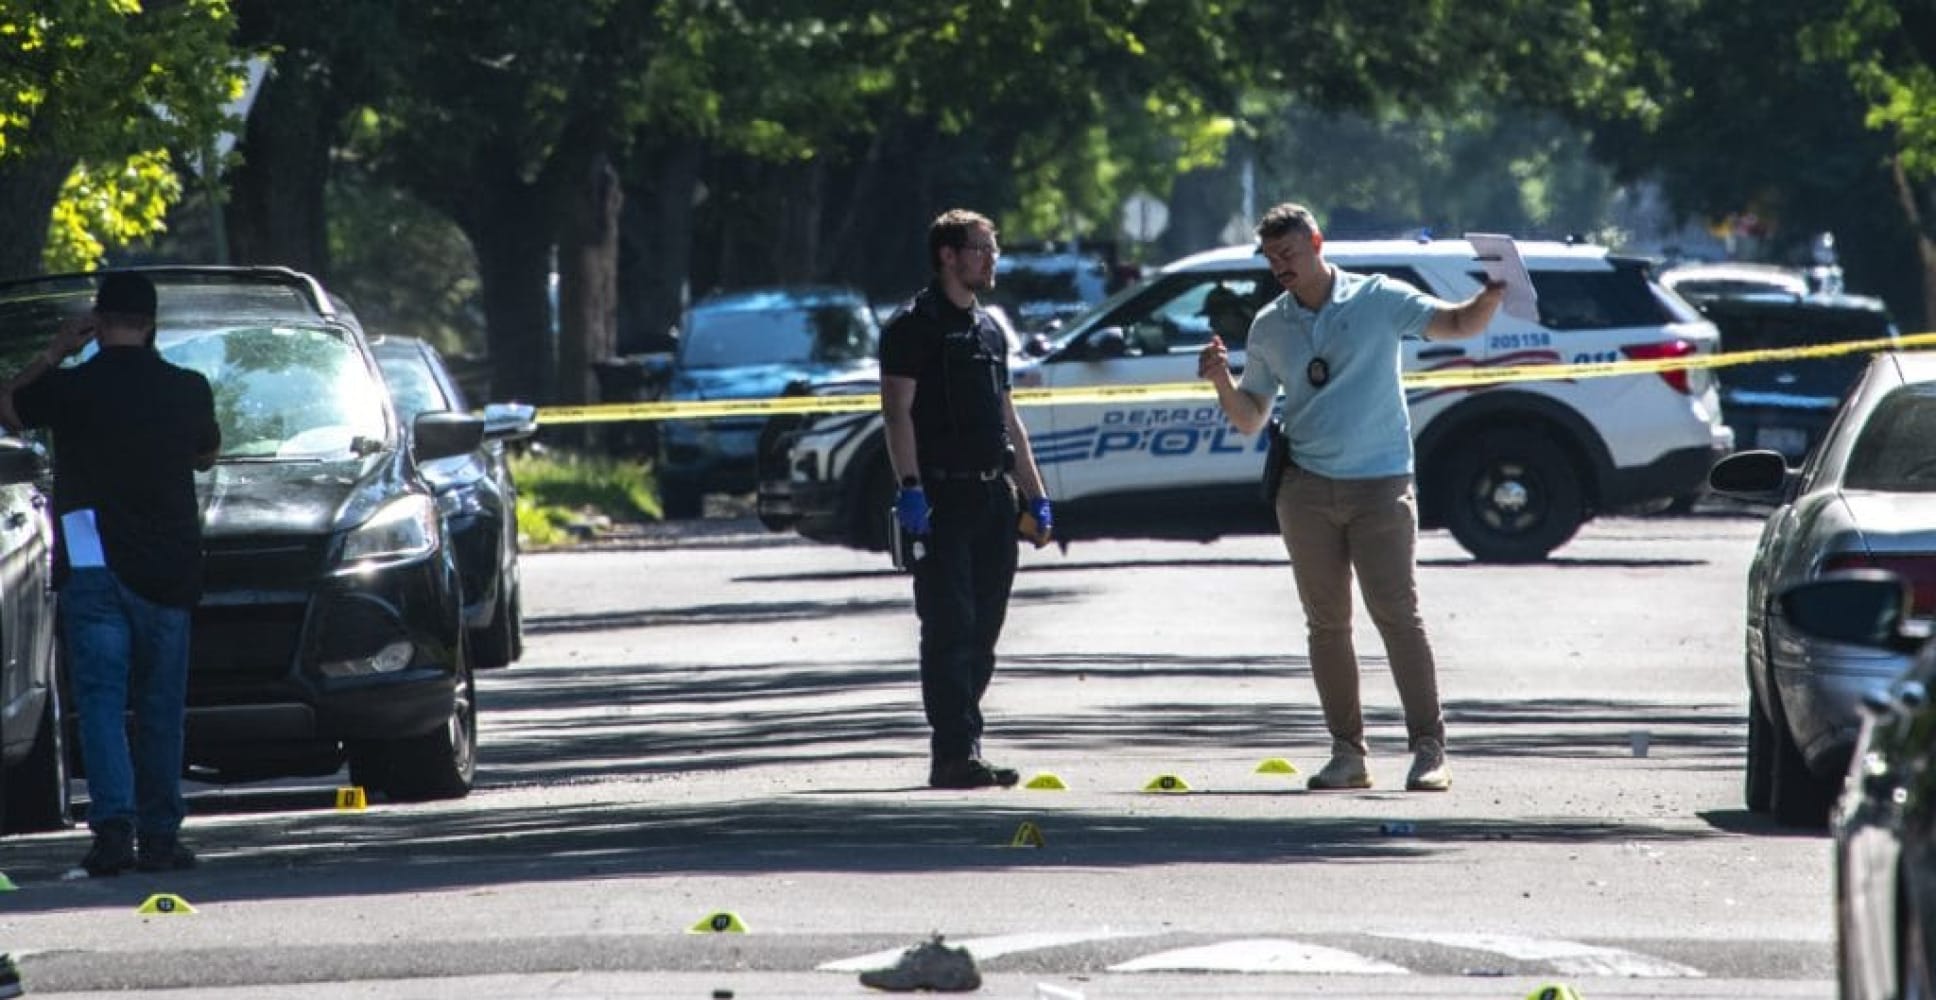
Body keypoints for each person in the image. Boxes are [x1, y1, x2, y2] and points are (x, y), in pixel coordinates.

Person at [1197, 203, 1503, 792]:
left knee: (1397, 616)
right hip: (1305, 488)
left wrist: (1491, 294)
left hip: (1380, 482)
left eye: (1289, 253)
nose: (1280, 265)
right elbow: (1250, 418)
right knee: (1326, 625)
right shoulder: (1269, 325)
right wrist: (1220, 381)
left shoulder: (1378, 299)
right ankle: (1347, 753)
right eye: (1270, 257)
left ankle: (1429, 748)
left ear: (1317, 242)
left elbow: (1457, 325)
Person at [0, 273, 220, 874]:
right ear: (152, 323)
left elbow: (8, 406)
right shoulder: (187, 388)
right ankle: (161, 834)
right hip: (168, 565)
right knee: (160, 704)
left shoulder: (72, 388)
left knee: (100, 700)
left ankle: (113, 829)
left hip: (92, 559)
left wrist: (54, 353)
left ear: (98, 320)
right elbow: (206, 454)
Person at [881, 209, 1052, 790]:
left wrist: (1036, 494)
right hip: (940, 498)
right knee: (950, 627)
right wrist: (909, 490)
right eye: (980, 247)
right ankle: (953, 753)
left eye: (993, 246)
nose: (991, 256)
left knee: (984, 630)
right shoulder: (913, 325)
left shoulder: (988, 330)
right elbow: (896, 413)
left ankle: (965, 742)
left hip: (992, 498)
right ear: (948, 255)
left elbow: (1009, 417)